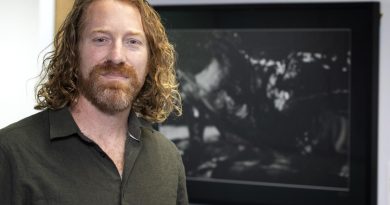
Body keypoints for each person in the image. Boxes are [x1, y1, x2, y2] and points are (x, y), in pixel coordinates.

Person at [0, 0, 188, 204]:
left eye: (133, 42)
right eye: (101, 39)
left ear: (150, 59)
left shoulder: (167, 158)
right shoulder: (11, 153)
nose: (117, 56)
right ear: (74, 51)